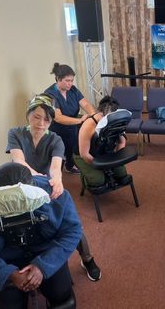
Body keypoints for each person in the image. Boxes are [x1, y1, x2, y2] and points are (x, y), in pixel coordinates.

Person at [0, 162, 81, 309]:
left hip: (46, 252)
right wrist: (8, 273)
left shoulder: (55, 193)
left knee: (63, 299)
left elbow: (72, 231)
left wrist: (43, 266)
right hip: (5, 260)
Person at [6, 94, 101, 281]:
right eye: (37, 117)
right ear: (28, 115)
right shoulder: (15, 133)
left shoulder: (55, 140)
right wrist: (39, 177)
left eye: (47, 119)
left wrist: (57, 179)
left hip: (50, 189)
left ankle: (87, 258)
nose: (41, 123)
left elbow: (56, 167)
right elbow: (19, 161)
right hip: (22, 189)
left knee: (72, 225)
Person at [45, 62, 96, 174]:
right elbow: (58, 118)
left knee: (72, 147)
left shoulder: (73, 89)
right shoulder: (50, 94)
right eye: (67, 81)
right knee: (59, 152)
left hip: (72, 125)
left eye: (72, 80)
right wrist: (80, 120)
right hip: (57, 128)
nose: (70, 83)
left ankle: (70, 165)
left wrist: (94, 116)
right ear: (58, 79)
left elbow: (85, 104)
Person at [74, 96, 128, 187]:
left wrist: (117, 159)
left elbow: (122, 142)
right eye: (104, 116)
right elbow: (84, 154)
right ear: (100, 112)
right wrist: (102, 166)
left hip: (104, 153)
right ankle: (85, 178)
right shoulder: (89, 125)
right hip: (83, 156)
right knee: (98, 181)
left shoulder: (115, 120)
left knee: (122, 175)